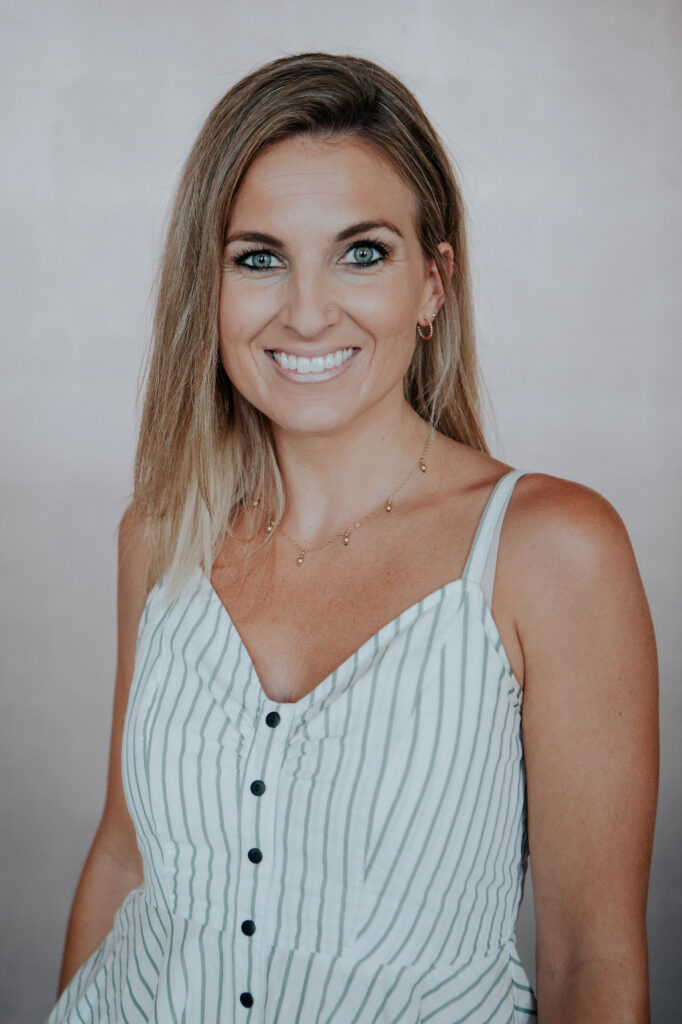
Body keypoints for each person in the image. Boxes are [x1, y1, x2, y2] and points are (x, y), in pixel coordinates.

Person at [45, 52, 659, 1023]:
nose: (306, 311)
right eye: (259, 258)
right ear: (208, 287)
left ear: (433, 284)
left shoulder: (552, 552)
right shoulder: (162, 530)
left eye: (361, 253)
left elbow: (592, 963)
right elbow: (125, 856)